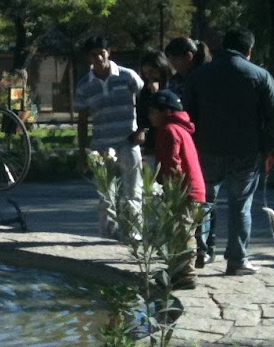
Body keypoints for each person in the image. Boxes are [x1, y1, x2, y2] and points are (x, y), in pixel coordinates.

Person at [177, 27, 274, 276]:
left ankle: (200, 251)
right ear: (249, 50)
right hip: (246, 151)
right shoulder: (260, 75)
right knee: (240, 205)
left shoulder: (199, 76)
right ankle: (237, 259)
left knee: (203, 202)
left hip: (206, 149)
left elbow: (187, 114)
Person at [74, 34, 144, 238]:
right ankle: (108, 236)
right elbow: (82, 120)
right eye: (93, 55)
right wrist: (82, 152)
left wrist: (142, 130)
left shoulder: (127, 76)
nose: (98, 58)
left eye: (101, 53)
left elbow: (145, 101)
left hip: (128, 142)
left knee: (132, 191)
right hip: (101, 146)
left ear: (109, 53)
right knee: (106, 196)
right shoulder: (84, 85)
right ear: (89, 58)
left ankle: (134, 234)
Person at [147, 88, 206, 290]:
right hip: (191, 188)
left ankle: (187, 275)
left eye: (152, 111)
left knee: (183, 232)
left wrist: (168, 191)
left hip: (183, 190)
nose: (149, 115)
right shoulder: (180, 129)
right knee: (179, 231)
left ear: (165, 111)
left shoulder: (168, 130)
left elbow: (173, 164)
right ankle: (177, 271)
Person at [165, 35, 215, 264]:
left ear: (188, 57)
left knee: (205, 198)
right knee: (193, 197)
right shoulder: (176, 81)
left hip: (206, 143)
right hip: (186, 142)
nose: (173, 65)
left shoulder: (206, 76)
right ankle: (198, 246)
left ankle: (203, 246)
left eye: (175, 59)